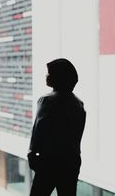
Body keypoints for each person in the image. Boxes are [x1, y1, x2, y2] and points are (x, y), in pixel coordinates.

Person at [28, 58, 86, 196]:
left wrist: (32, 153)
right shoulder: (78, 104)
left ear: (58, 77)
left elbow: (38, 129)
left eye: (49, 73)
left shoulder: (47, 100)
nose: (46, 76)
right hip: (71, 161)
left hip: (49, 160)